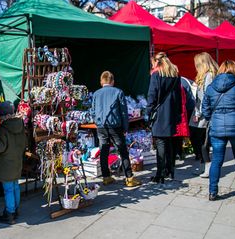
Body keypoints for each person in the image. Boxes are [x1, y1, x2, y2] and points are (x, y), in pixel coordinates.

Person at [202, 60, 235, 200]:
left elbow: (205, 110)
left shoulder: (211, 87)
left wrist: (212, 119)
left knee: (217, 160)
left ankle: (213, 191)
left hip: (217, 127)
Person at [91, 70, 142, 187]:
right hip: (115, 126)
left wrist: (97, 122)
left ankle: (106, 177)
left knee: (103, 151)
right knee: (122, 151)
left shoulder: (96, 94)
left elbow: (92, 111)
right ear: (112, 81)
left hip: (101, 126)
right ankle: (129, 178)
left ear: (101, 81)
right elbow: (124, 112)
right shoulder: (118, 92)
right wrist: (125, 127)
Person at [146, 52, 186, 183]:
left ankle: (160, 174)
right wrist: (179, 114)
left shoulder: (156, 75)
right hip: (172, 113)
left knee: (161, 143)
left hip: (160, 114)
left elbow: (152, 95)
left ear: (157, 62)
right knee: (169, 142)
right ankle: (170, 170)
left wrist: (148, 111)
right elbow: (178, 97)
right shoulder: (175, 75)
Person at [0, 101, 27, 225]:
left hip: (6, 164)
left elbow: (0, 147)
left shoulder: (3, 128)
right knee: (15, 186)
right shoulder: (20, 124)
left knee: (8, 189)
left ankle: (10, 214)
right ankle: (15, 210)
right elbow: (24, 143)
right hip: (17, 161)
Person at [189, 52, 218, 178]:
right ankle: (205, 166)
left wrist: (199, 113)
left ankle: (207, 167)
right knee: (200, 140)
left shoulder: (209, 76)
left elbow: (206, 96)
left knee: (202, 141)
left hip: (204, 114)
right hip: (202, 112)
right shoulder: (207, 75)